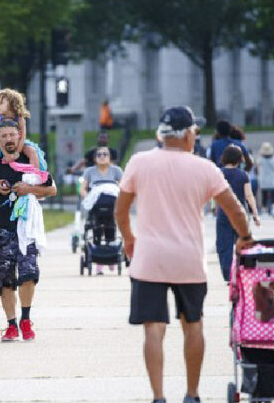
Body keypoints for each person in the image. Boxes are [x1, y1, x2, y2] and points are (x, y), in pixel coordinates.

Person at [115, 106, 254, 403]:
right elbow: (234, 209)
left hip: (149, 259)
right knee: (193, 324)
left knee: (153, 328)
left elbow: (121, 209)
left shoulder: (139, 163)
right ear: (188, 134)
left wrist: (129, 239)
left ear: (161, 134)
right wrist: (245, 237)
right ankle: (192, 395)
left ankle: (158, 397)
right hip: (189, 260)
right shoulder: (205, 168)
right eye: (195, 132)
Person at [0, 118, 57, 342]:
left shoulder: (31, 158)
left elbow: (52, 189)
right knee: (4, 279)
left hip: (26, 228)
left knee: (28, 275)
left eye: (12, 135)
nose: (8, 139)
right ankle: (11, 324)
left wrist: (29, 189)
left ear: (19, 136)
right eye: (4, 135)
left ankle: (26, 319)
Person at [0, 88, 46, 201]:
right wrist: (6, 153)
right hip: (1, 145)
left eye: (1, 103)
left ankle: (36, 184)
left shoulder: (20, 120)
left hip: (19, 143)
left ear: (11, 103)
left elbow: (22, 136)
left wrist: (16, 153)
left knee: (32, 151)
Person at [216, 145, 261, 282]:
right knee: (243, 245)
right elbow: (249, 196)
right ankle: (241, 273)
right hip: (241, 216)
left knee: (224, 246)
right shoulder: (243, 175)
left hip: (223, 215)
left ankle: (228, 275)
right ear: (238, 160)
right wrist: (255, 214)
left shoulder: (218, 173)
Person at [79, 146, 123, 275]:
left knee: (110, 225)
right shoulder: (89, 171)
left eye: (105, 154)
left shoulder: (116, 170)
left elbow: (123, 185)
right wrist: (86, 197)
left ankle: (110, 257)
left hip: (111, 199)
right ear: (94, 158)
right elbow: (83, 188)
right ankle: (99, 261)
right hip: (96, 200)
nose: (102, 156)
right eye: (99, 154)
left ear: (110, 157)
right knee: (96, 226)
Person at [257, 142, 274, 216]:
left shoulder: (260, 160)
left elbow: (258, 169)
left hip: (263, 182)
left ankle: (264, 211)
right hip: (273, 181)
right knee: (273, 196)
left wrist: (259, 176)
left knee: (264, 196)